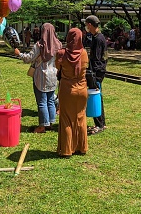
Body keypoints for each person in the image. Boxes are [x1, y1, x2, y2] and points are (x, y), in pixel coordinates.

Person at [15, 23, 62, 133]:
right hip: (53, 75)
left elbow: (29, 58)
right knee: (50, 100)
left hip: (41, 76)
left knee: (42, 102)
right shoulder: (58, 44)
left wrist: (19, 54)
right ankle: (50, 122)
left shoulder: (39, 45)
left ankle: (42, 126)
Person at [55, 28, 89, 158]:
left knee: (66, 119)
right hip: (82, 88)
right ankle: (82, 147)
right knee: (80, 117)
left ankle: (67, 150)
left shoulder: (61, 53)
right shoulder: (84, 53)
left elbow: (57, 67)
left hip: (67, 89)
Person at [83, 15, 108, 135]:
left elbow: (97, 58)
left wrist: (92, 73)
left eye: (87, 24)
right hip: (98, 71)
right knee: (98, 96)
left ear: (90, 25)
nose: (86, 27)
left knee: (96, 96)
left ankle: (100, 125)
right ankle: (101, 123)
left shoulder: (98, 39)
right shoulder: (97, 37)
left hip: (97, 72)